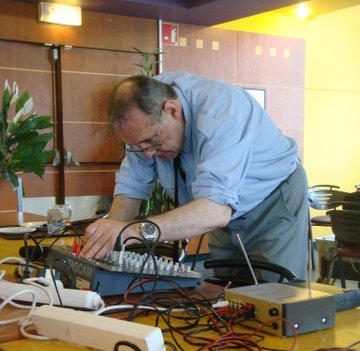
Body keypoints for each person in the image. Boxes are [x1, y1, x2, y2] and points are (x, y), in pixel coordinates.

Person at [80, 72, 309, 280]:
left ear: (172, 110)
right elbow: (132, 186)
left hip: (273, 201)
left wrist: (135, 231)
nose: (148, 153)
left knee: (276, 297)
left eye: (151, 140)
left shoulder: (222, 112)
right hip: (222, 211)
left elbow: (216, 210)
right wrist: (107, 238)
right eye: (138, 145)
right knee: (230, 294)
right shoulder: (145, 119)